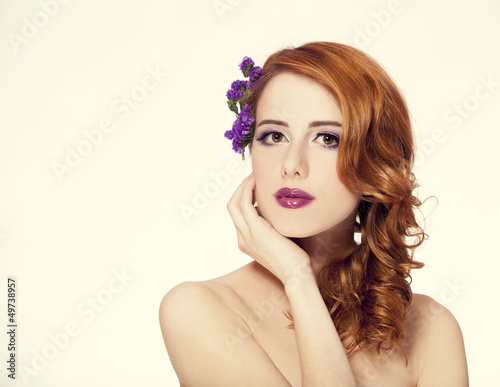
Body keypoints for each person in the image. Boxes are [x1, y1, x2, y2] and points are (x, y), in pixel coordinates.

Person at [159, 41, 469, 386]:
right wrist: (296, 276)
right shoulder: (198, 310)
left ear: (374, 163)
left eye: (327, 139)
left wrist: (300, 282)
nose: (292, 165)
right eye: (274, 135)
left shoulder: (429, 327)